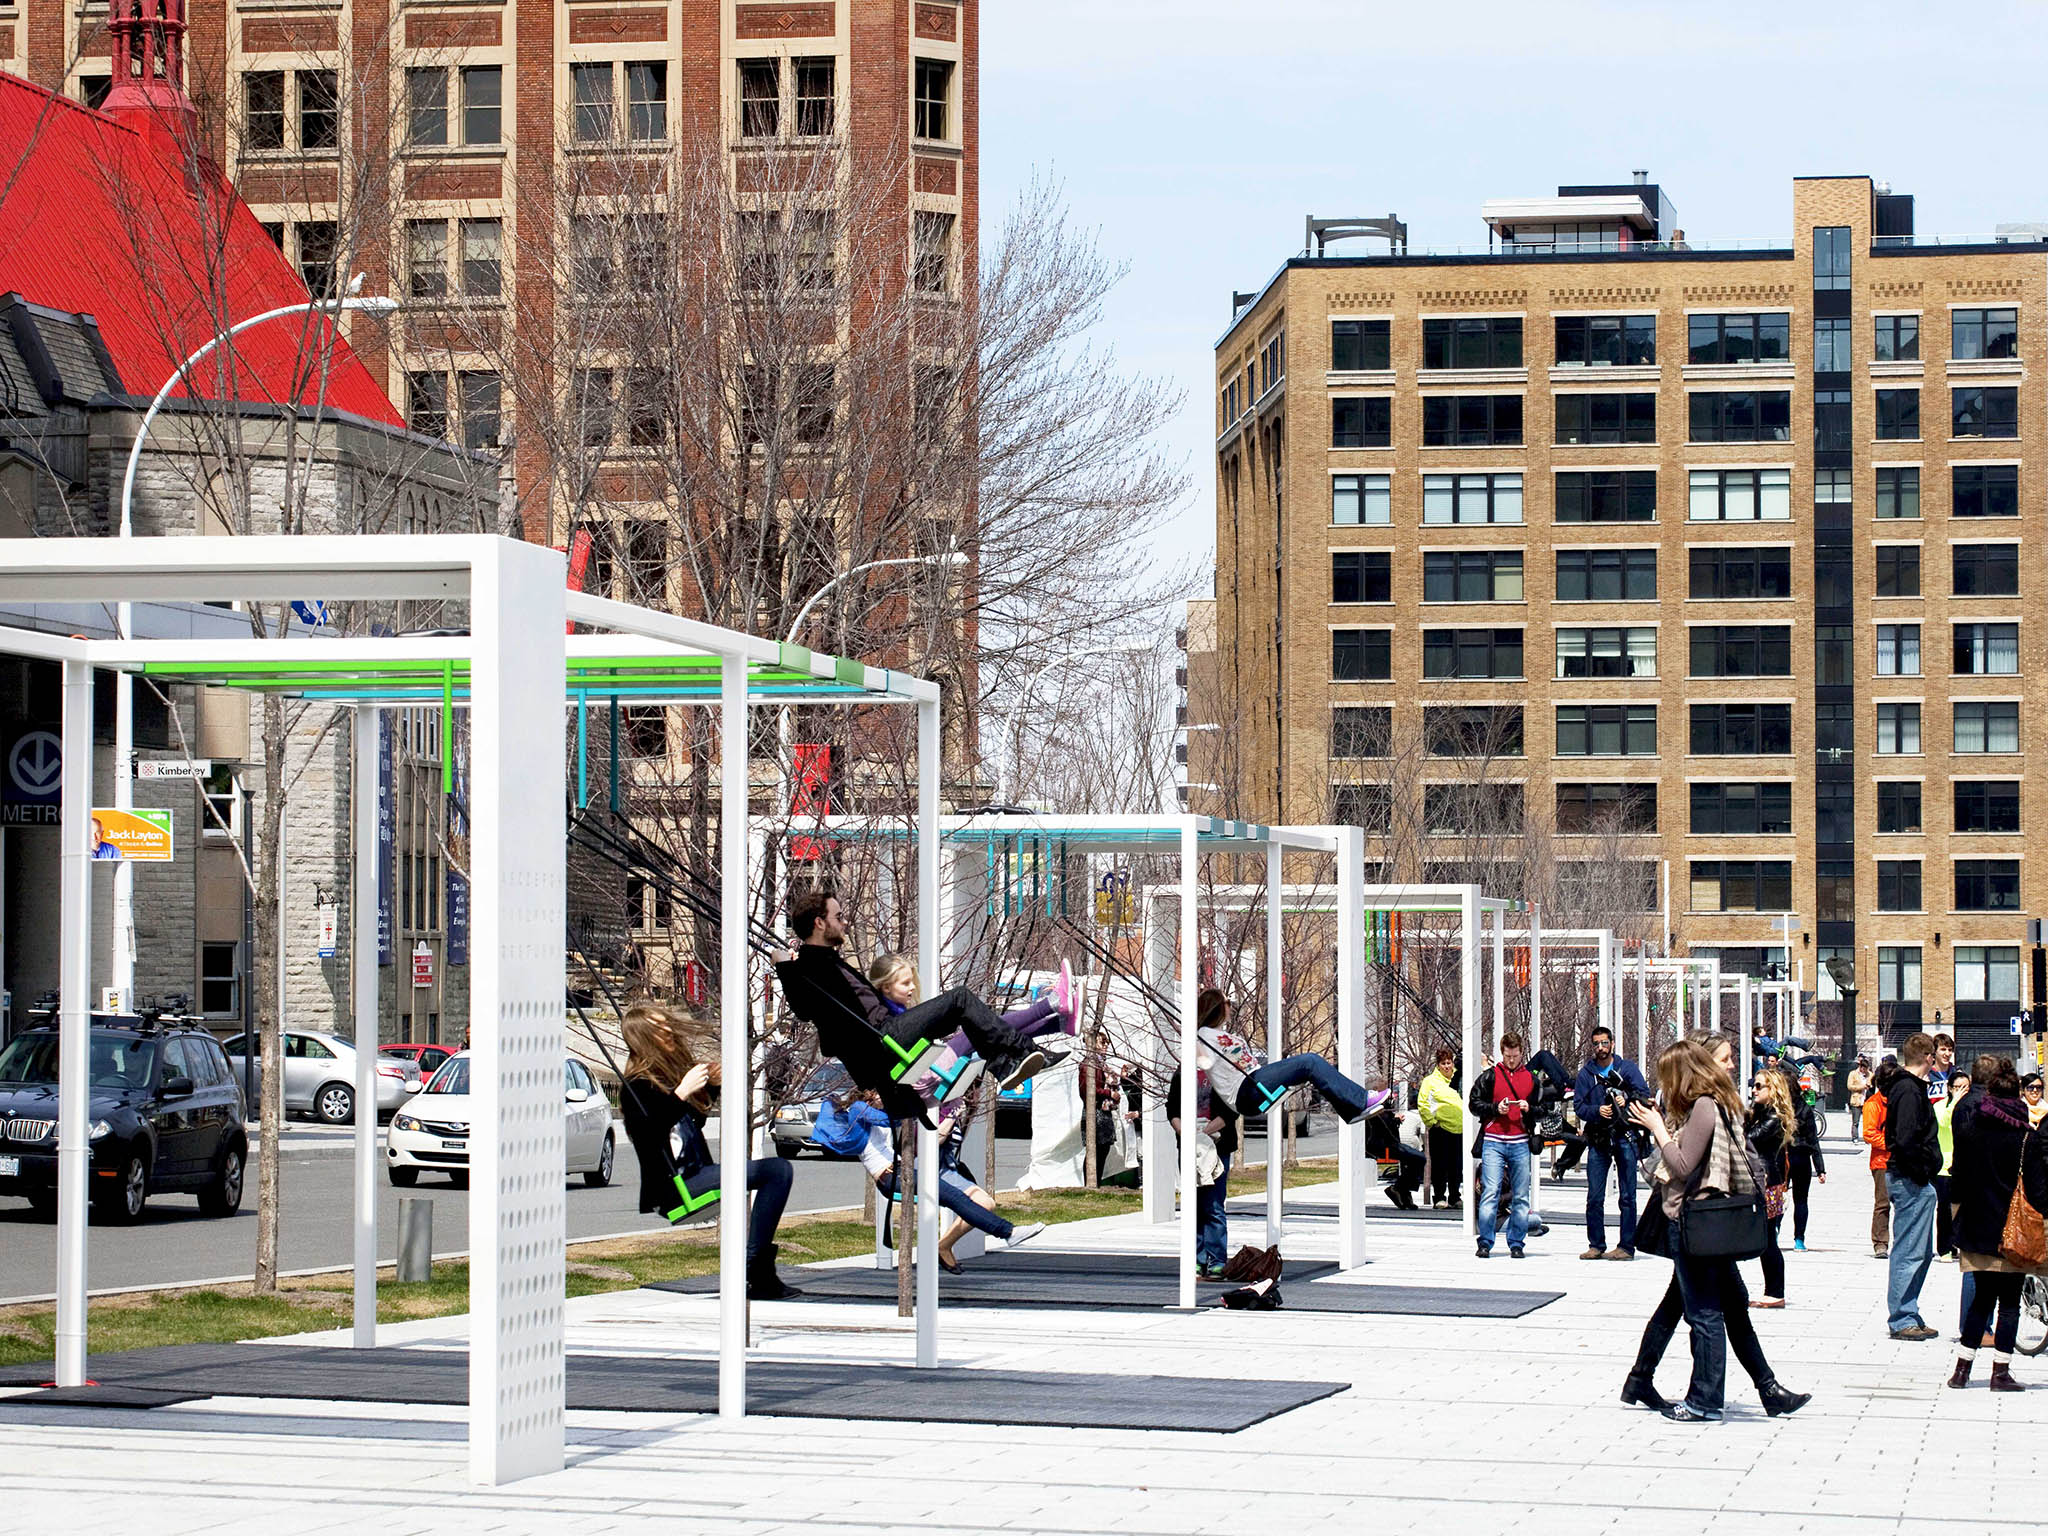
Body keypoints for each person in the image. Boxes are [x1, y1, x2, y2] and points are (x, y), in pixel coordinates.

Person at [1626, 1038, 1808, 1423]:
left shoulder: (1705, 1107)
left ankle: (1705, 1399)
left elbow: (1681, 1164)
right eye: (1725, 1058)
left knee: (1706, 1313)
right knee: (1712, 1307)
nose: (1730, 1064)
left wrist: (1658, 1128)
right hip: (1705, 1224)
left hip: (1700, 1223)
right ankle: (1764, 1389)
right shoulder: (1712, 1106)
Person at [776, 891, 1061, 1124]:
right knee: (959, 998)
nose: (844, 922)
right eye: (838, 917)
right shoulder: (809, 967)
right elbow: (804, 1008)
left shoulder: (823, 960)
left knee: (964, 1012)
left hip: (886, 1032)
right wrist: (785, 968)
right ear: (820, 923)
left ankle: (1006, 1062)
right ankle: (1020, 1052)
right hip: (883, 1039)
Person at [617, 1002, 801, 1301]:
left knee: (777, 1171)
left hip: (697, 1172)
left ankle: (759, 1270)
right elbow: (650, 1132)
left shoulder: (666, 1077)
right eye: (658, 1027)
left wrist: (711, 1087)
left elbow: (690, 1122)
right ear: (644, 1036)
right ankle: (756, 1269)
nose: (667, 1030)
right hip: (677, 1185)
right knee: (776, 1171)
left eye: (667, 1024)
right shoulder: (636, 1086)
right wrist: (682, 1091)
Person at [813, 1089, 1047, 1271]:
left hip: (897, 1172)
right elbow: (891, 1121)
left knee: (956, 1199)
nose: (880, 1096)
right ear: (866, 1094)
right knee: (955, 1197)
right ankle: (1007, 1233)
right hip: (889, 1176)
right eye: (877, 1093)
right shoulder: (858, 1109)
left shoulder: (865, 1113)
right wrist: (915, 1106)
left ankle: (1007, 1233)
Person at [1946, 1060, 2044, 1391]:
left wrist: (1954, 1219)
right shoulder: (2023, 1137)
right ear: (2017, 1096)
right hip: (2012, 1228)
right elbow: (2035, 1188)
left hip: (1977, 1225)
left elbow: (1957, 1177)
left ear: (1988, 1092)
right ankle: (2000, 1372)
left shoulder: (1971, 1131)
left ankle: (1961, 1370)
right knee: (2010, 1304)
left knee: (1981, 1300)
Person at [1192, 989, 1376, 1125]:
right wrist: (1194, 1043)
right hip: (1245, 1091)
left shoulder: (1218, 1034)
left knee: (1310, 1070)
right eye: (1228, 1003)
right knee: (1309, 1062)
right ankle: (1361, 1100)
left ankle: (1351, 1111)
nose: (1231, 1007)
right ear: (1216, 1007)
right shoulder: (1204, 1034)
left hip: (1255, 1084)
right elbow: (1205, 1062)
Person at [868, 951, 1078, 1041]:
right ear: (886, 987)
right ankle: (1054, 1004)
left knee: (989, 1027)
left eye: (912, 981)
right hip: (928, 1070)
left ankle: (1059, 1023)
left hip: (932, 1063)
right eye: (905, 983)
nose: (913, 987)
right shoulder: (888, 1020)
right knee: (983, 1026)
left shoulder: (898, 1013)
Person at [1883, 1033, 1943, 1342]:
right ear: (1928, 1057)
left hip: (1915, 1180)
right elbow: (1905, 1139)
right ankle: (1902, 1316)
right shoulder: (1908, 1090)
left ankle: (1910, 1310)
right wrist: (1921, 1171)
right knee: (1909, 1250)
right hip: (1910, 1180)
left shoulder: (1910, 1088)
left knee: (1921, 1251)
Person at [1572, 1026, 1650, 1261]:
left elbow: (1643, 1095)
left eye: (1604, 1043)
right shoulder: (1587, 1074)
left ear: (1612, 1044)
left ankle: (1627, 1246)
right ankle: (1596, 1244)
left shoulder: (1627, 1069)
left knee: (1628, 1195)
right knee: (1594, 1195)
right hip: (1599, 1138)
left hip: (1624, 1135)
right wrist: (1599, 1110)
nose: (1600, 1048)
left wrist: (1623, 1099)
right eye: (1596, 1044)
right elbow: (1579, 1106)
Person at [1468, 1032, 1549, 1259]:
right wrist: (1495, 1108)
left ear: (1521, 1053)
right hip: (1494, 1139)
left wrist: (1528, 1108)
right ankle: (1485, 1241)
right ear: (1502, 1053)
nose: (1511, 1060)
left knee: (1521, 1194)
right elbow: (1473, 1104)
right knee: (1490, 1192)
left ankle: (1516, 1242)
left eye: (1514, 1055)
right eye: (1507, 1056)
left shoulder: (1531, 1080)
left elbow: (1544, 1111)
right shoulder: (1490, 1076)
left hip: (1520, 1141)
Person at [1166, 1048, 1240, 1279]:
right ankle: (1196, 1259)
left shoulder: (1223, 1071)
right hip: (1190, 1144)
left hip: (1216, 1144)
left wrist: (1205, 1132)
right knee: (1193, 1204)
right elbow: (1172, 1109)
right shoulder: (1181, 1073)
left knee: (1214, 1204)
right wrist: (1186, 1133)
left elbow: (1232, 1110)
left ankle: (1217, 1260)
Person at [1747, 1069, 1795, 1308]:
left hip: (1767, 1182)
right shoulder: (1760, 1113)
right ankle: (1772, 1290)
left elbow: (1749, 1138)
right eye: (1753, 1086)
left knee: (1767, 1239)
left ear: (1772, 1090)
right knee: (1765, 1238)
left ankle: (1775, 1291)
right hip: (1762, 1179)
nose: (1753, 1090)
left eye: (1759, 1086)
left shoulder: (1774, 1117)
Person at [1418, 1048, 1464, 1208]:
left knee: (1457, 1166)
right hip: (1441, 1129)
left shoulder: (1459, 1078)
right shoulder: (1430, 1082)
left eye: (1449, 1063)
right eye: (1443, 1063)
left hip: (1459, 1129)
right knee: (1440, 1165)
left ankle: (1455, 1196)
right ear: (1438, 1065)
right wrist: (1431, 1122)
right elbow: (1423, 1104)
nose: (1447, 1066)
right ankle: (1439, 1197)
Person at [1365, 1088, 1425, 1210]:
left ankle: (1404, 1191)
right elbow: (1384, 1128)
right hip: (1383, 1145)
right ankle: (1399, 1188)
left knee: (1412, 1160)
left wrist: (1394, 1119)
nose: (1391, 1101)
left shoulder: (1383, 1112)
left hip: (1390, 1144)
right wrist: (1395, 1120)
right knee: (1419, 1158)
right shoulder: (1374, 1112)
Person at [1933, 1071, 1971, 1262]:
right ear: (1950, 1088)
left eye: (1966, 1087)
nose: (1963, 1091)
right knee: (1945, 1209)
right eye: (1958, 1087)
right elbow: (1943, 1122)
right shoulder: (1940, 1106)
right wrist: (1955, 1101)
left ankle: (1961, 1243)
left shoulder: (1972, 1107)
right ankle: (1945, 1247)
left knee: (1965, 1208)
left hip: (1966, 1164)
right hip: (1945, 1166)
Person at [1788, 1077, 1827, 1251]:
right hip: (1802, 1157)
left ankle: (1773, 1229)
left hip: (1783, 1157)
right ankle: (1799, 1239)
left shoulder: (1776, 1107)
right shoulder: (1805, 1108)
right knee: (1801, 1200)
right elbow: (1813, 1140)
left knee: (1776, 1197)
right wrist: (1820, 1168)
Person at [1863, 1060, 1896, 1259]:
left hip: (1902, 1159)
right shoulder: (1874, 1104)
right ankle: (1880, 1242)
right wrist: (1893, 1143)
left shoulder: (1900, 1100)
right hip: (1882, 1161)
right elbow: (1869, 1133)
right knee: (1882, 1203)